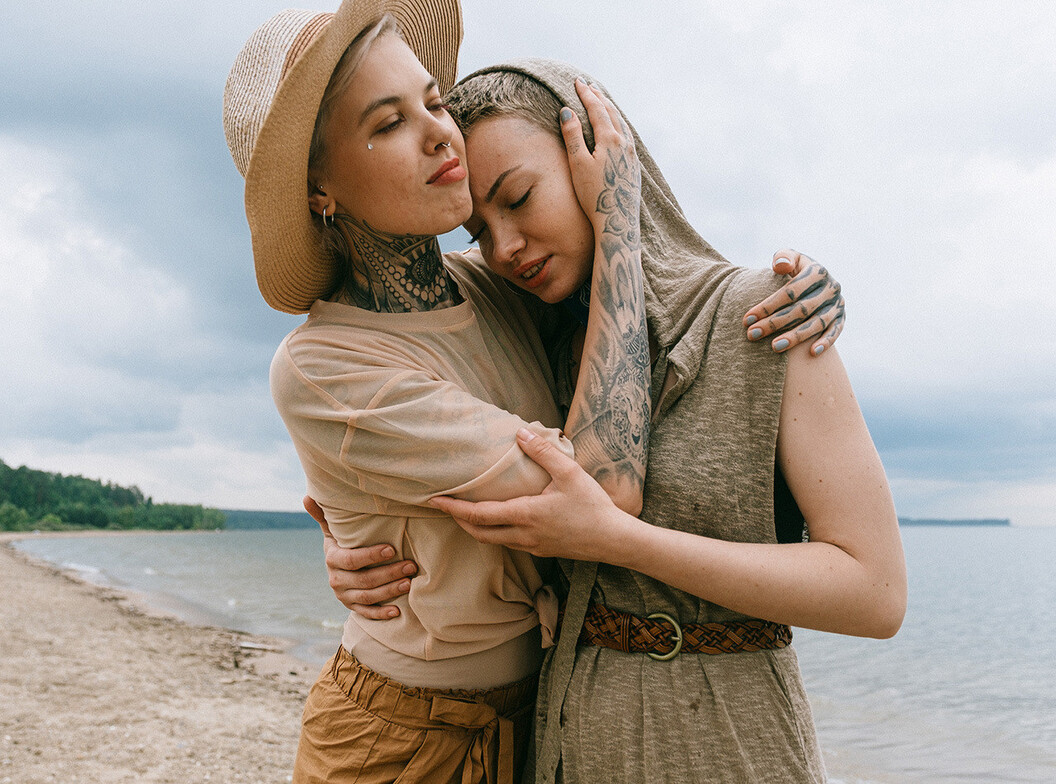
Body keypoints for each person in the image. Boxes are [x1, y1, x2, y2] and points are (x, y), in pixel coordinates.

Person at [224, 1, 843, 780]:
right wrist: (619, 221)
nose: (439, 133)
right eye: (388, 123)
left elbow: (654, 324)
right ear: (320, 191)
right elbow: (597, 492)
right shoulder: (323, 363)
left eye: (433, 102)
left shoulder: (502, 287)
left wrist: (804, 288)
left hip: (543, 713)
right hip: (399, 735)